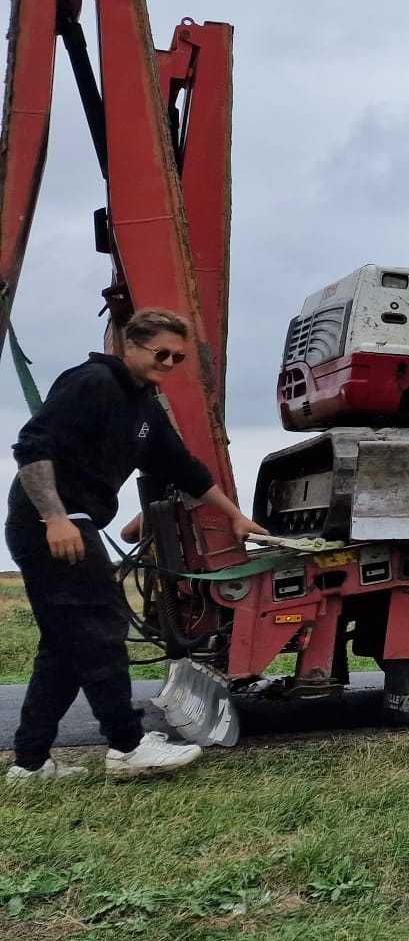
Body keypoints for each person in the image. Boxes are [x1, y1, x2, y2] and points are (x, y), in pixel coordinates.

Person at [6, 309, 263, 781]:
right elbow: (32, 446)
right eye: (159, 352)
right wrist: (54, 517)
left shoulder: (144, 405)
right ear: (130, 345)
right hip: (53, 524)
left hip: (70, 520)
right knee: (103, 628)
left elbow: (184, 468)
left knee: (65, 646)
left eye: (178, 357)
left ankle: (30, 762)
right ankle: (126, 747)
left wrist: (235, 517)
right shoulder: (91, 383)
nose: (168, 361)